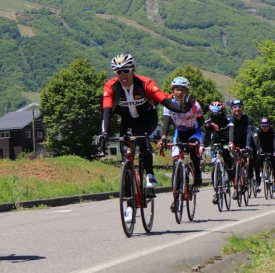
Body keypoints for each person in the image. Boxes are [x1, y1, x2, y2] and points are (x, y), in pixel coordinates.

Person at [98, 54, 193, 194]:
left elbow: (164, 101)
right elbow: (106, 109)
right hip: (127, 119)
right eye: (119, 72)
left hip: (147, 117)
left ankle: (150, 175)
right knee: (124, 148)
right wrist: (104, 132)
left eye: (126, 71)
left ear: (133, 69)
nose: (123, 75)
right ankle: (128, 182)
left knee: (141, 139)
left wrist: (183, 108)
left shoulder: (145, 84)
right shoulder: (111, 86)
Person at [158, 76, 204, 212]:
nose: (179, 92)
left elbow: (201, 123)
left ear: (187, 91)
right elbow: (166, 122)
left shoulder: (194, 104)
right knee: (175, 164)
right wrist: (164, 137)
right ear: (173, 90)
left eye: (182, 89)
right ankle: (175, 199)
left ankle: (197, 175)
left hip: (194, 132)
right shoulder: (168, 104)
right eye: (176, 89)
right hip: (180, 132)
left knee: (193, 151)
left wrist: (201, 142)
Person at [203, 101, 234, 204]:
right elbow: (203, 132)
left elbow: (231, 130)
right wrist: (202, 145)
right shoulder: (208, 120)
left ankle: (230, 171)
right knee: (215, 165)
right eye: (213, 113)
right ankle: (217, 192)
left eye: (218, 113)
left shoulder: (227, 120)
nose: (215, 116)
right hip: (215, 142)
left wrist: (230, 142)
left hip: (225, 141)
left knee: (226, 154)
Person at [229, 99, 259, 195]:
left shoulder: (248, 119)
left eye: (239, 107)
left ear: (242, 108)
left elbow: (249, 133)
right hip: (235, 143)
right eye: (235, 107)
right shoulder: (230, 120)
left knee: (254, 158)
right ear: (231, 109)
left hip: (247, 141)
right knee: (233, 164)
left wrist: (247, 146)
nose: (237, 109)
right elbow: (229, 133)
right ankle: (235, 186)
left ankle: (252, 177)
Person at [254, 117, 275, 192]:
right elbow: (256, 142)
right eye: (263, 125)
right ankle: (258, 184)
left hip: (271, 149)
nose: (264, 127)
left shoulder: (273, 132)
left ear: (269, 125)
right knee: (257, 162)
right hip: (262, 149)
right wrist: (255, 151)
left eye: (266, 125)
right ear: (260, 125)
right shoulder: (258, 132)